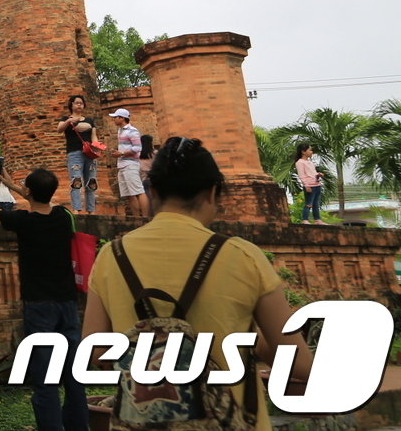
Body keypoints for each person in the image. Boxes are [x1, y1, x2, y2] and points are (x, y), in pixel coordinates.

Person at [82, 137, 315, 431]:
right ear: (212, 192)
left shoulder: (110, 257)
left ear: (151, 191)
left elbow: (98, 351)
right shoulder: (242, 256)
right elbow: (298, 363)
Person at [0, 165, 88, 431]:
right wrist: (18, 187)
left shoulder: (23, 221)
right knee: (73, 373)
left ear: (29, 191)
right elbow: (40, 199)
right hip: (67, 303)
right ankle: (78, 425)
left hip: (39, 306)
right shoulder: (63, 216)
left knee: (45, 375)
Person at [56, 94, 97, 214]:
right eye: (76, 103)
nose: (79, 105)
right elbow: (59, 129)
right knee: (76, 180)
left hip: (90, 153)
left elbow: (94, 136)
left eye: (81, 103)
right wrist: (69, 121)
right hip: (74, 153)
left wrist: (96, 147)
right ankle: (76, 209)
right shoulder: (65, 119)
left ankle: (91, 210)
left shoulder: (89, 121)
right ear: (71, 105)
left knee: (91, 181)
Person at [110, 108, 147, 216]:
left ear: (122, 118)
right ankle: (136, 218)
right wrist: (118, 152)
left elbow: (137, 148)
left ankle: (145, 217)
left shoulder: (132, 130)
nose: (114, 120)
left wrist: (121, 153)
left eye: (115, 117)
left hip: (131, 164)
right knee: (129, 194)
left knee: (138, 191)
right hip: (122, 165)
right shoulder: (120, 131)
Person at [295, 143, 322, 224]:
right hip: (309, 186)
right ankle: (305, 219)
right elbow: (302, 175)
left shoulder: (310, 162)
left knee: (316, 204)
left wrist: (318, 175)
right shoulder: (300, 162)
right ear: (303, 152)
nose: (311, 152)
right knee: (309, 203)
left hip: (317, 185)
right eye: (309, 150)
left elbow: (313, 174)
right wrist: (306, 185)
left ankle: (317, 219)